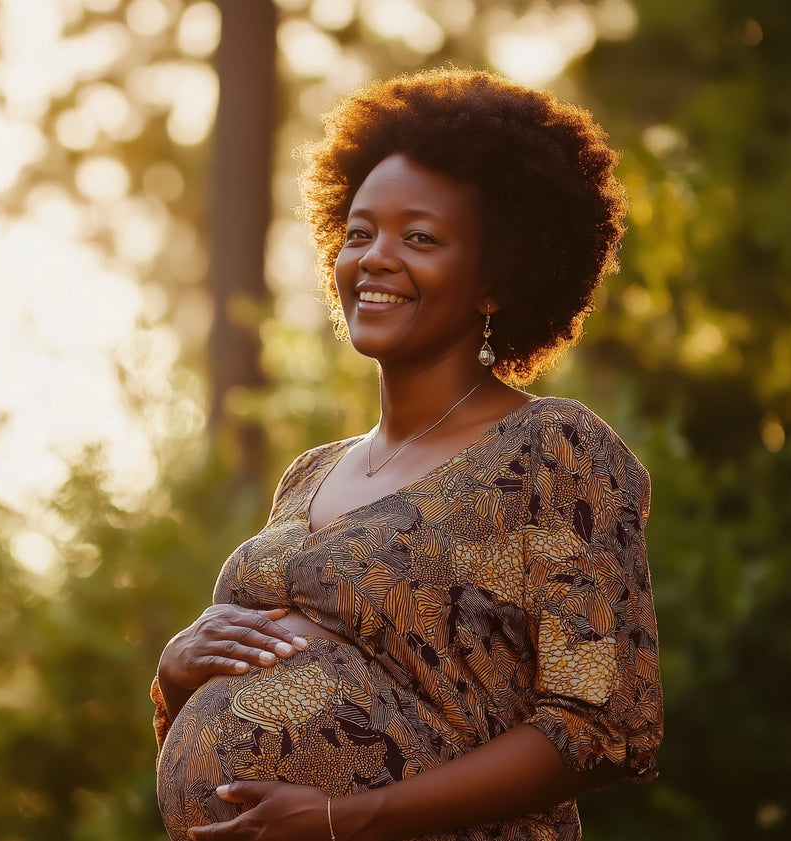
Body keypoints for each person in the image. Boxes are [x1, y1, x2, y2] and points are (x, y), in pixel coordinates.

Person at [151, 67, 662, 841]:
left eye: (419, 237)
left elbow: (601, 723)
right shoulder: (308, 474)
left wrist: (344, 818)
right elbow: (222, 749)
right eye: (359, 232)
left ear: (496, 278)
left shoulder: (551, 448)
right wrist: (174, 675)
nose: (377, 257)